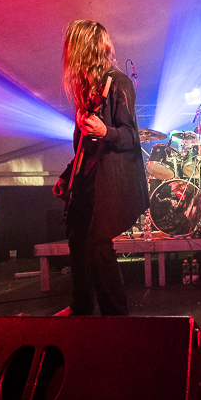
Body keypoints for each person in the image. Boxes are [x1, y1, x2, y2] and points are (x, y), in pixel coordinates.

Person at [52, 20, 148, 316]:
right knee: (76, 239)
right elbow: (85, 148)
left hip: (110, 181)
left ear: (84, 49)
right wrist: (67, 176)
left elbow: (131, 136)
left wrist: (106, 131)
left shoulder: (118, 83)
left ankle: (115, 316)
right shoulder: (86, 91)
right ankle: (80, 305)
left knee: (98, 245)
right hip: (86, 178)